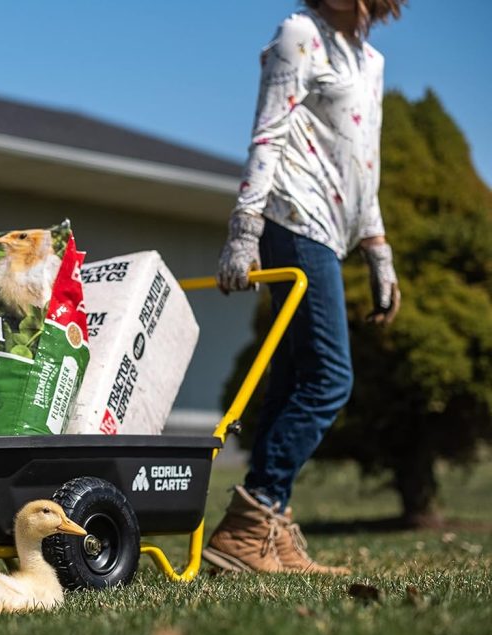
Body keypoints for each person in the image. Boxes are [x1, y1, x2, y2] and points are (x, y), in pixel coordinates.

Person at [203, 0, 405, 574]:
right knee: (329, 379)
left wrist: (379, 254)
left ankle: (270, 531)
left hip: (334, 235)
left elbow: (362, 164)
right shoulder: (299, 34)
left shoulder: (370, 61)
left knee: (294, 377)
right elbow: (267, 133)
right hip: (291, 221)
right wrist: (244, 231)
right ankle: (256, 513)